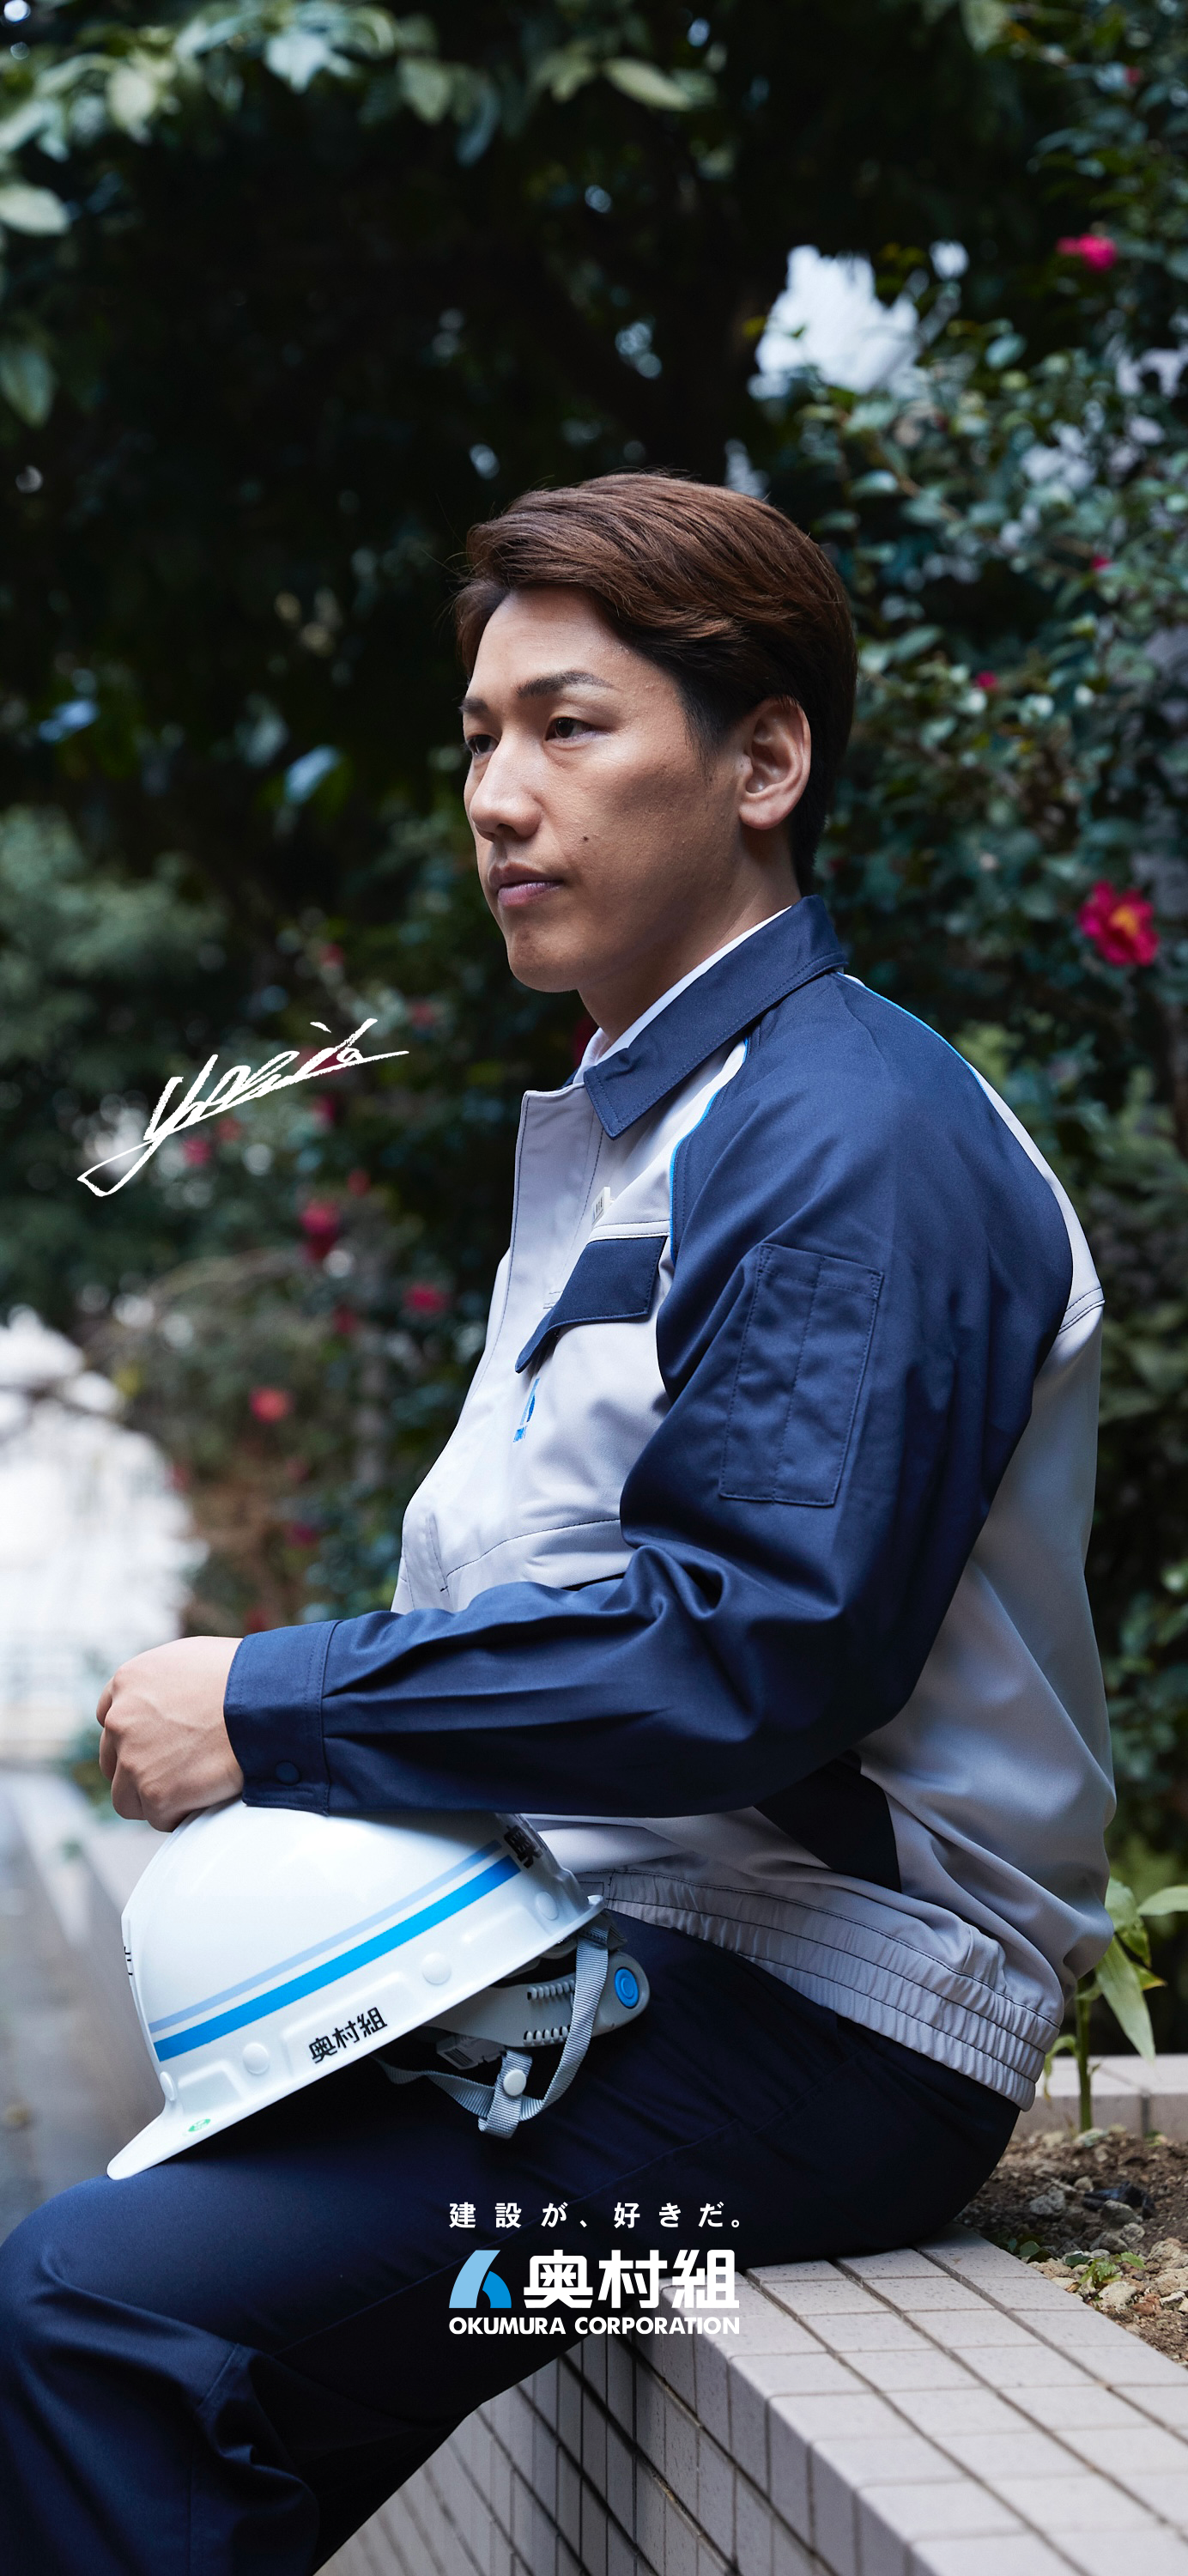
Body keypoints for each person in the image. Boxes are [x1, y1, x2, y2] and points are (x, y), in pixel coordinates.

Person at [0, 475, 1112, 2575]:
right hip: (648, 2003)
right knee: (157, 2312)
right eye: (477, 741)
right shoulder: (660, 1127)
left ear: (762, 761)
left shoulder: (845, 1136)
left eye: (568, 727)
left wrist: (270, 1703)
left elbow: (751, 1649)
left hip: (825, 2061)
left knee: (103, 2316)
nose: (497, 798)